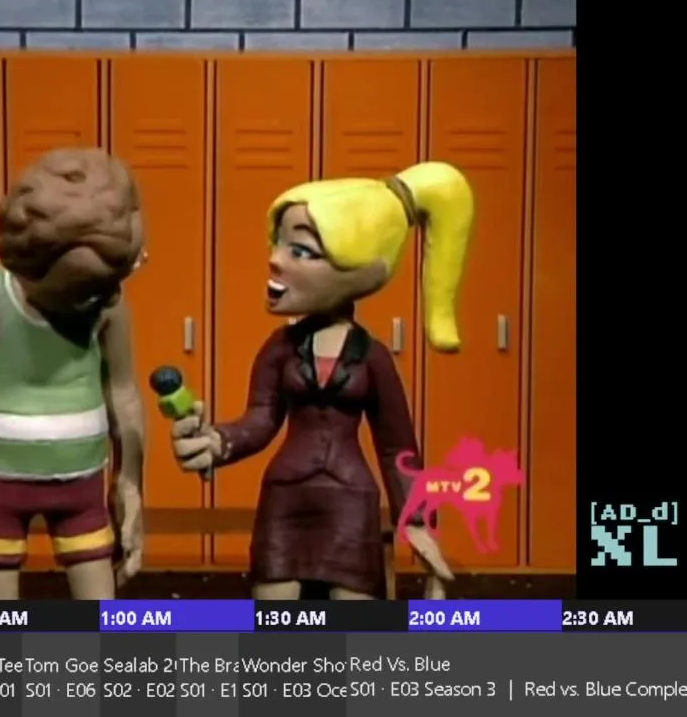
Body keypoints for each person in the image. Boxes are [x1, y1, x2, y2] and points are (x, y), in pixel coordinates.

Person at [169, 163, 472, 600]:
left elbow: (397, 449)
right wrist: (218, 442)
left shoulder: (373, 357)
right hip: (286, 498)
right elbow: (261, 420)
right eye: (279, 243)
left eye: (301, 251)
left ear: (362, 269)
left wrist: (420, 522)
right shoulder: (279, 349)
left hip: (350, 501)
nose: (275, 259)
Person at [0, 148, 147, 600]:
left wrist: (130, 483)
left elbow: (123, 393)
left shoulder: (107, 304)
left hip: (83, 490)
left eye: (101, 291)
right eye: (77, 293)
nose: (91, 303)